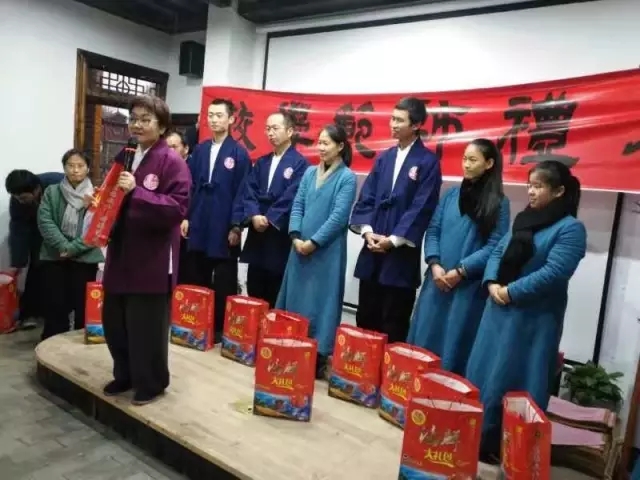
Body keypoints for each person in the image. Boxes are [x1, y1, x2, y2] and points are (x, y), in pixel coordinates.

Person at [465, 160, 586, 463]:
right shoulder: (525, 219)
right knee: (484, 373)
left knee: (516, 378)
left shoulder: (571, 229)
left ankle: (509, 447)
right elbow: (498, 252)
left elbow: (555, 272)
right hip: (498, 310)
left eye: (538, 186)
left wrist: (511, 291)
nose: (530, 191)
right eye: (529, 185)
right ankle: (478, 437)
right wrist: (492, 282)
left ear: (558, 191)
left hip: (533, 319)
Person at [91, 95, 191, 406]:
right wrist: (99, 202)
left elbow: (177, 208)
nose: (137, 124)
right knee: (115, 321)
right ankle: (125, 374)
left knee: (146, 326)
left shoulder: (171, 161)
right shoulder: (127, 153)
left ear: (161, 126)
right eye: (133, 118)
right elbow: (113, 194)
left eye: (145, 119)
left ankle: (151, 382)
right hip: (121, 251)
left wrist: (138, 193)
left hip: (152, 257)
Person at [406, 139, 509, 375]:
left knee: (454, 346)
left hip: (467, 287)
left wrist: (462, 270)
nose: (466, 164)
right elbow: (433, 230)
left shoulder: (499, 203)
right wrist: (434, 263)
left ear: (489, 164)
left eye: (473, 160)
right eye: (464, 159)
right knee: (424, 337)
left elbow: (496, 245)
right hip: (437, 280)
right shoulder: (451, 195)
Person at [349, 97, 442, 343]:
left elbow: (422, 207)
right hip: (373, 247)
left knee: (393, 320)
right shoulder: (384, 157)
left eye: (399, 120)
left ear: (416, 125)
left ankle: (388, 368)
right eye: (392, 118)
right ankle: (361, 366)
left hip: (400, 254)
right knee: (366, 315)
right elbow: (367, 195)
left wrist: (392, 240)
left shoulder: (428, 162)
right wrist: (367, 232)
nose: (393, 124)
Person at [276, 124, 357, 379]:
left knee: (323, 302)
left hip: (326, 252)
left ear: (340, 146)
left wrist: (314, 242)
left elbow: (339, 217)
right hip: (298, 248)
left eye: (326, 143)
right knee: (295, 299)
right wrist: (295, 235)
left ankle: (318, 358)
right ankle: (288, 348)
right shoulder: (310, 172)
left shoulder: (347, 178)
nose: (321, 148)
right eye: (319, 142)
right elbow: (297, 205)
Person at [181, 99, 251, 342]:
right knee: (195, 273)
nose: (213, 119)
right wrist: (186, 216)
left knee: (224, 279)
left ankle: (221, 330)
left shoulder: (239, 154)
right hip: (200, 218)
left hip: (224, 222)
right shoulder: (200, 150)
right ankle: (195, 323)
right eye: (210, 115)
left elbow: (243, 192)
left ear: (231, 119)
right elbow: (189, 186)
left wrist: (236, 226)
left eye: (219, 115)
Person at [239, 112, 309, 307]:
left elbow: (292, 196)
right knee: (254, 286)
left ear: (290, 131)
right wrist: (254, 215)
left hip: (279, 232)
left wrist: (269, 218)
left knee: (275, 288)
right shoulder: (262, 162)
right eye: (268, 129)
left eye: (275, 128)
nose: (270, 133)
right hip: (257, 229)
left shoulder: (300, 163)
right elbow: (249, 190)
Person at [37, 149, 104, 340]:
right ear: (64, 168)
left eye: (80, 166)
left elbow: (98, 227)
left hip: (85, 257)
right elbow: (45, 221)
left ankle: (80, 346)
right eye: (71, 166)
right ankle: (53, 344)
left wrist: (73, 248)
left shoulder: (97, 195)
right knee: (54, 305)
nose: (75, 170)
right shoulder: (52, 191)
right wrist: (63, 246)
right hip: (54, 256)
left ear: (88, 168)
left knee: (83, 305)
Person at [5, 169, 64, 330]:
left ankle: (58, 314)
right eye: (17, 198)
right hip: (37, 231)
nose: (20, 201)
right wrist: (18, 262)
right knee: (37, 267)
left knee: (60, 273)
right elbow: (18, 229)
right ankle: (30, 315)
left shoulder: (58, 185)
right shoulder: (18, 200)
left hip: (64, 229)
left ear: (37, 190)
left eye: (24, 198)